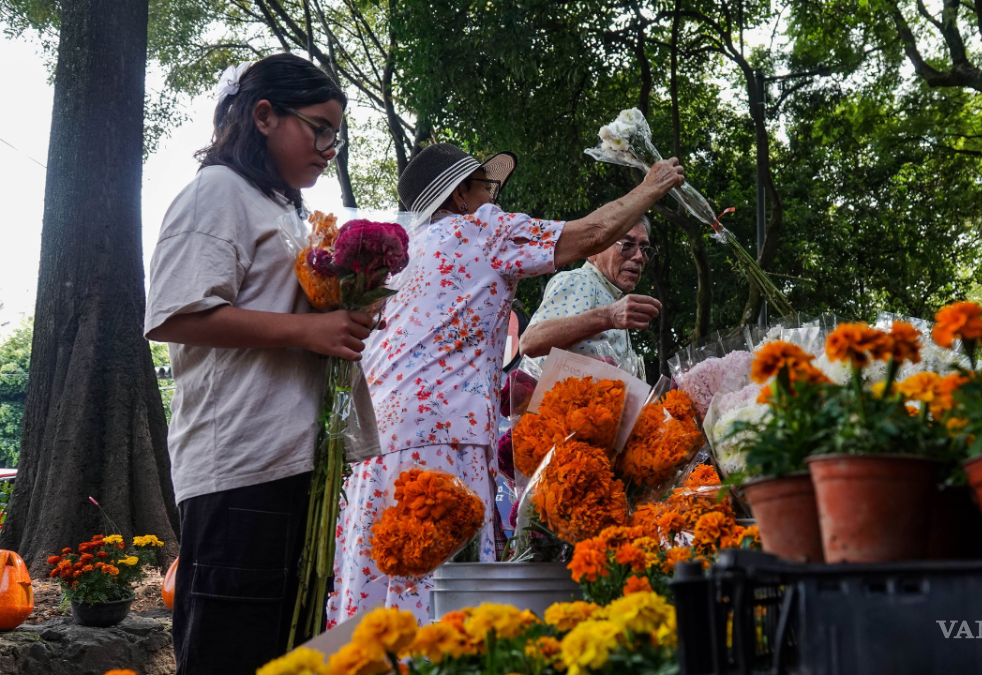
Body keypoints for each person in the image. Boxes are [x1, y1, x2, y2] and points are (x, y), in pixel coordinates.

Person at [328, 143, 685, 626]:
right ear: (458, 197)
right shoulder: (482, 229)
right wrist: (651, 187)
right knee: (446, 599)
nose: (492, 197)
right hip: (443, 441)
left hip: (374, 446)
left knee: (379, 594)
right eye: (485, 186)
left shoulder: (396, 267)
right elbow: (590, 234)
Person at [144, 54, 374, 674]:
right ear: (265, 116)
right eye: (319, 128)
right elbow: (171, 314)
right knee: (233, 652)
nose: (330, 148)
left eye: (337, 134)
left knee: (288, 652)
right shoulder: (217, 192)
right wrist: (310, 329)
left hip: (298, 463)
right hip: (239, 469)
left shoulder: (285, 208)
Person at [520, 215, 660, 367]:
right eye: (627, 245)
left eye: (644, 249)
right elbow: (529, 343)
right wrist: (608, 317)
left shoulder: (614, 299)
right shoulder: (582, 280)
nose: (639, 257)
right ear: (594, 250)